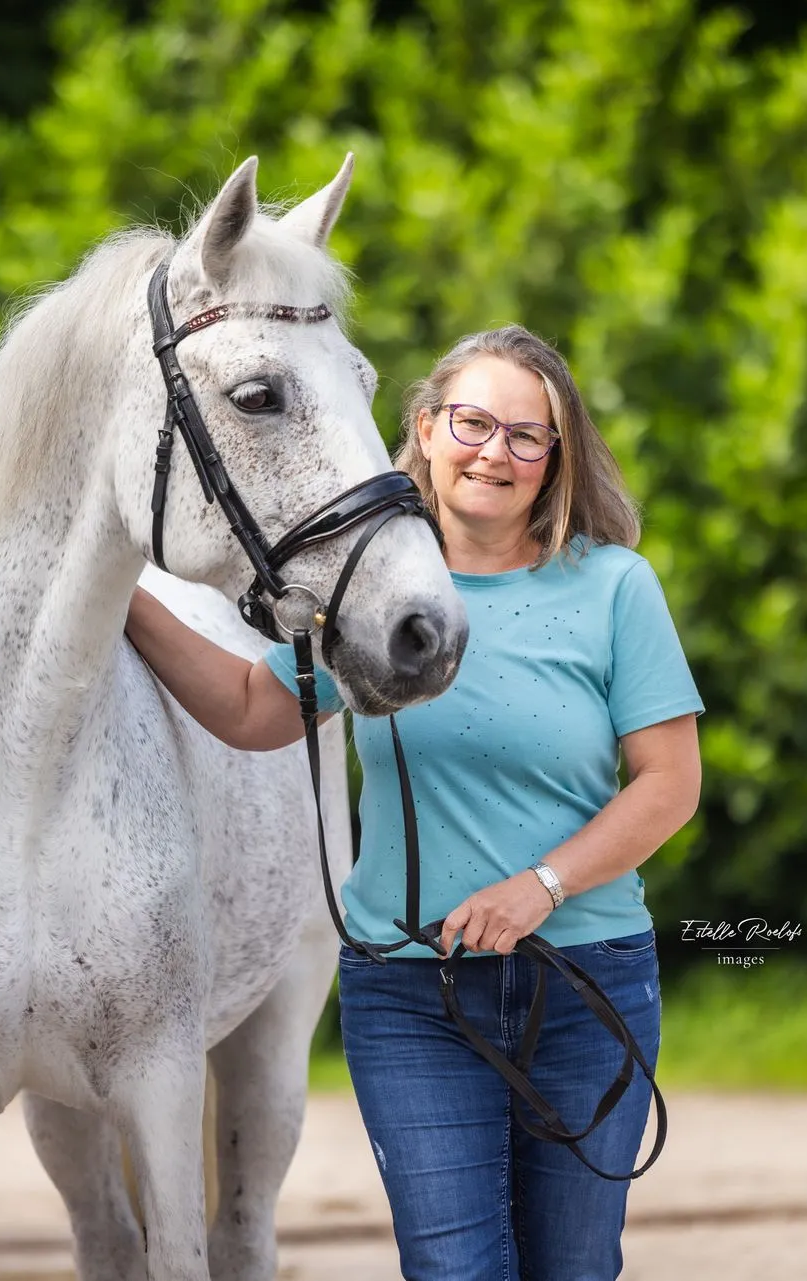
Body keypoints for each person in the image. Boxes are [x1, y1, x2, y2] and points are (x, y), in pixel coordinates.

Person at [124, 325, 703, 1280]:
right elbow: (252, 709)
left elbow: (670, 784)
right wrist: (120, 596)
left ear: (556, 457)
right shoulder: (376, 593)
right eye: (473, 423)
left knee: (573, 1267)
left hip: (585, 982)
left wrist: (541, 886)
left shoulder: (612, 588)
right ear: (427, 429)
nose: (494, 452)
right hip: (410, 993)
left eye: (526, 435)